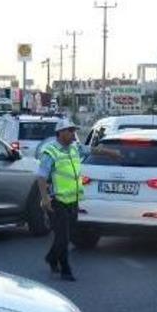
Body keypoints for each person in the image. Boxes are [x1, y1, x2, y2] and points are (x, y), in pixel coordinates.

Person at [37, 119, 118, 281]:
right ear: (60, 133)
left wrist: (110, 153)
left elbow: (92, 151)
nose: (73, 134)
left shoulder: (75, 148)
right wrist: (45, 198)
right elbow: (41, 176)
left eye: (74, 131)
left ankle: (52, 258)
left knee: (64, 236)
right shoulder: (50, 152)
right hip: (56, 201)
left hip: (72, 200)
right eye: (70, 131)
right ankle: (66, 270)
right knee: (64, 238)